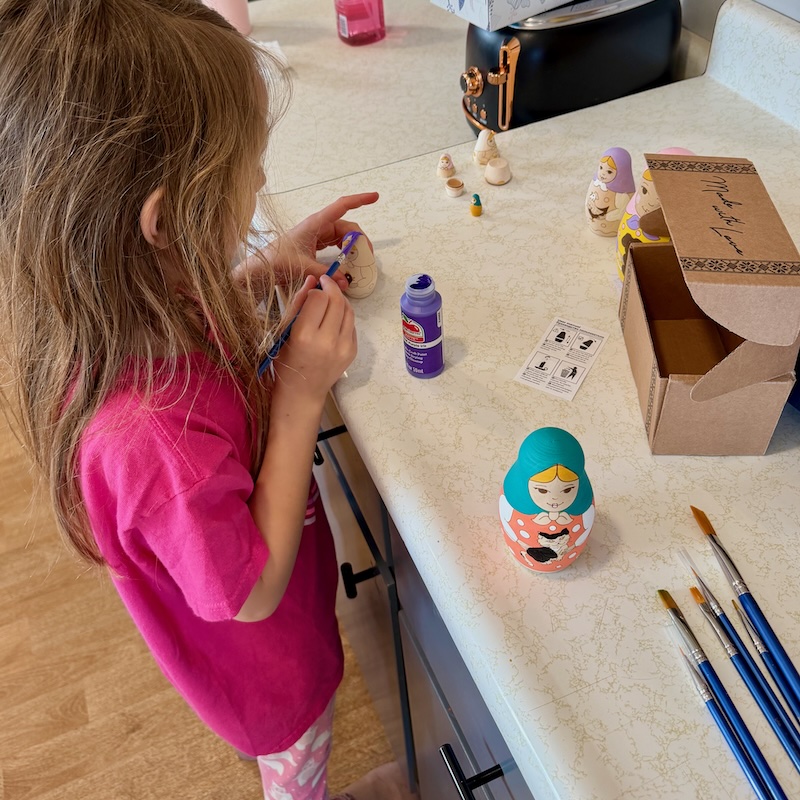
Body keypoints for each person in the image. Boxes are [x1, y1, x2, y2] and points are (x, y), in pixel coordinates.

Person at [0, 2, 411, 799]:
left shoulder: (125, 304)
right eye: (245, 170)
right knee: (298, 771)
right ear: (160, 220)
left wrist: (266, 272)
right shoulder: (152, 441)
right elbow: (251, 593)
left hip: (276, 640)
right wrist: (297, 394)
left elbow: (196, 337)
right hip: (269, 676)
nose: (261, 182)